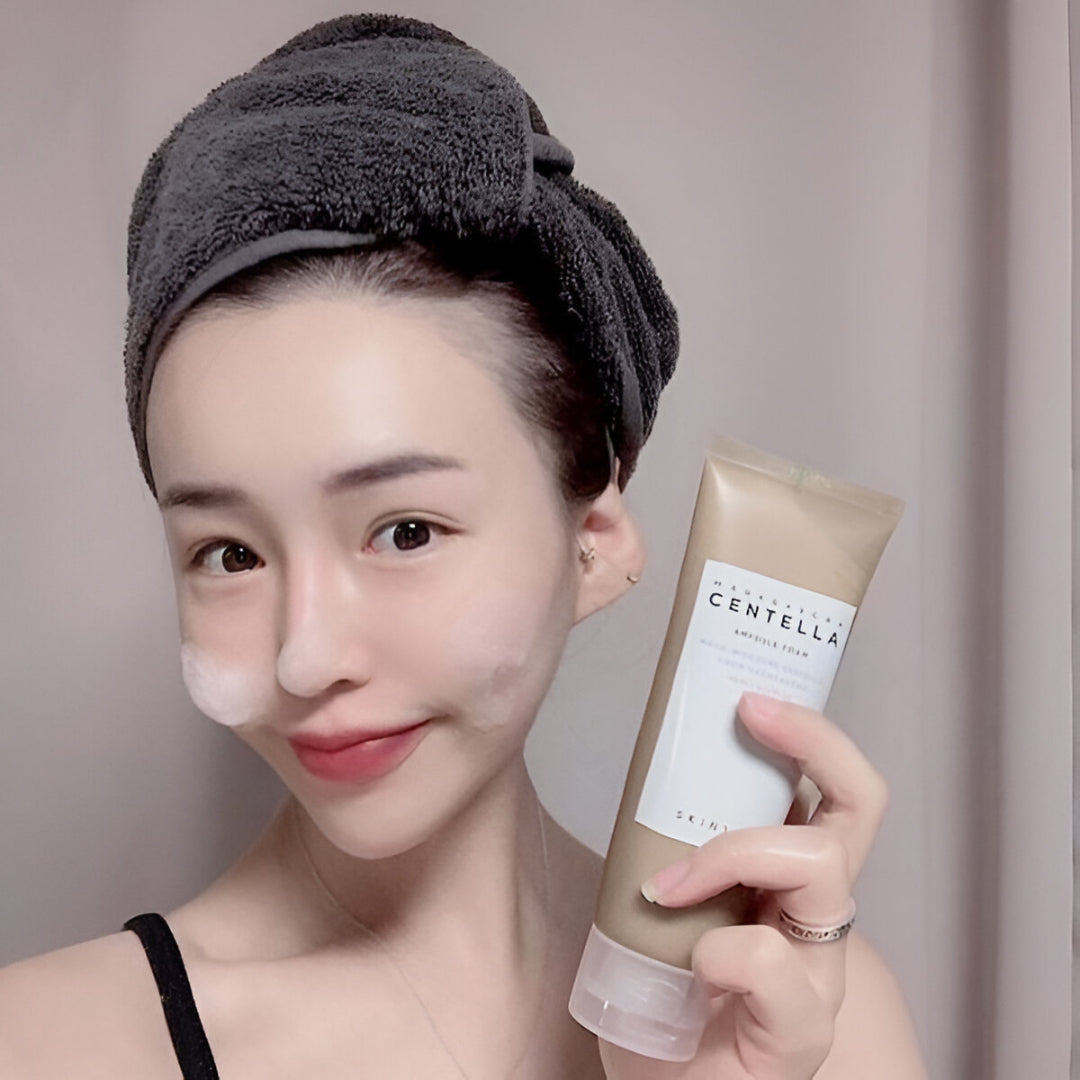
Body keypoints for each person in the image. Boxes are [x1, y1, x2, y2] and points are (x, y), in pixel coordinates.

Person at [0, 15, 926, 1078]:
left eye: (404, 531)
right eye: (231, 554)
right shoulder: (46, 1046)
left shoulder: (820, 1030)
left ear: (594, 541)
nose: (306, 658)